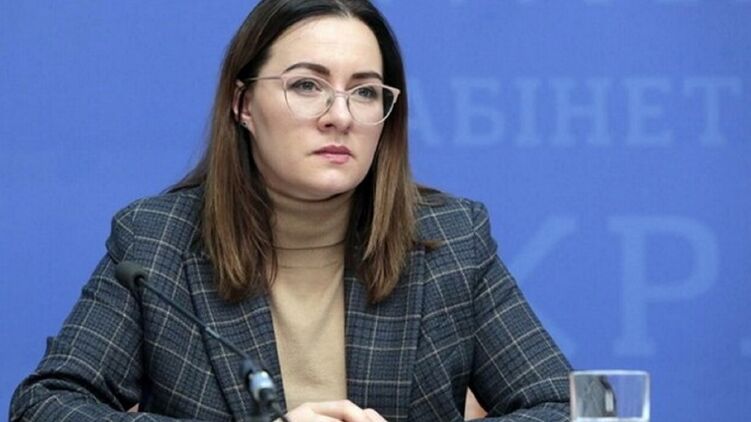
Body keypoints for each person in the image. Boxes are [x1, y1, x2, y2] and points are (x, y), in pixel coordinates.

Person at [10, 0, 572, 421]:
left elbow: (562, 407)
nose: (340, 116)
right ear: (243, 104)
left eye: (365, 91)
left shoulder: (450, 240)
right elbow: (47, 404)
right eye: (307, 85)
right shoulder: (157, 242)